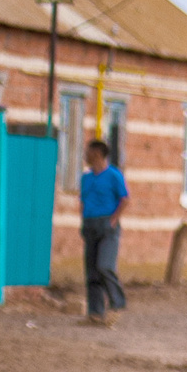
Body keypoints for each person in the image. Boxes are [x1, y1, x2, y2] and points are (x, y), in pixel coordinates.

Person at [79, 138, 129, 326]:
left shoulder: (114, 175)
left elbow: (125, 199)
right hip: (90, 224)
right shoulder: (86, 177)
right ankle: (95, 313)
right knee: (91, 272)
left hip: (107, 226)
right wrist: (82, 221)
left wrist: (113, 220)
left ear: (98, 154)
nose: (86, 155)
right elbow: (83, 201)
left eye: (88, 151)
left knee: (104, 266)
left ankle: (117, 303)